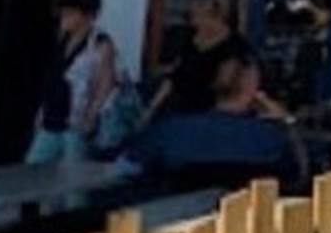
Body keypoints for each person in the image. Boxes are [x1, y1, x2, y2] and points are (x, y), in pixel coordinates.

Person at [123, 53, 304, 187]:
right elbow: (298, 177)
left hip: (172, 227)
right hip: (244, 228)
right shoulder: (271, 138)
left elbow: (126, 167)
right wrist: (287, 122)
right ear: (254, 88)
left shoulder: (169, 131)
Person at [26, 0, 117, 164]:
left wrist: (91, 115)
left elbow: (105, 84)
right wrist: (42, 110)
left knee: (72, 171)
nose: (64, 18)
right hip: (52, 118)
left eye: (70, 13)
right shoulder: (63, 40)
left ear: (86, 16)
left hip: (77, 120)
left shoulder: (100, 44)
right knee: (34, 165)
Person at [144, 0, 249, 122]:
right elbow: (176, 73)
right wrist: (152, 108)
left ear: (216, 17)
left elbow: (224, 85)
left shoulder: (234, 46)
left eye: (197, 16)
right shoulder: (190, 38)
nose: (193, 22)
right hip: (178, 102)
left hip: (207, 111)